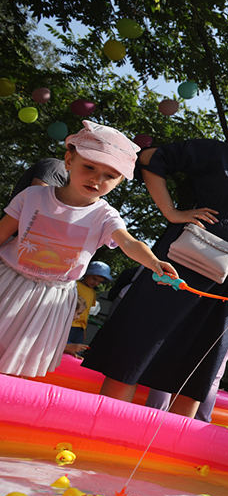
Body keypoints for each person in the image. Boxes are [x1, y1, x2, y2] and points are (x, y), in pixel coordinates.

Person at [85, 100, 228, 419]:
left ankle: (163, 462)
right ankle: (98, 440)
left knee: (194, 378)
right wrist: (172, 212)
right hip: (177, 270)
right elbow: (150, 159)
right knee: (133, 356)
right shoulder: (217, 153)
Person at [0, 121, 177, 378]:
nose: (97, 179)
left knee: (18, 361)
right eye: (89, 167)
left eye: (110, 175)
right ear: (69, 161)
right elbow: (3, 231)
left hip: (51, 297)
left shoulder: (105, 215)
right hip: (9, 281)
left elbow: (128, 242)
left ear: (119, 181)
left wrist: (153, 262)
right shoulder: (33, 197)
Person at [68, 260, 113, 345]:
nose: (96, 283)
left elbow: (86, 312)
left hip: (80, 328)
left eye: (99, 282)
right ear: (86, 273)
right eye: (94, 279)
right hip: (68, 325)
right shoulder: (74, 285)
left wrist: (84, 329)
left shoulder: (93, 293)